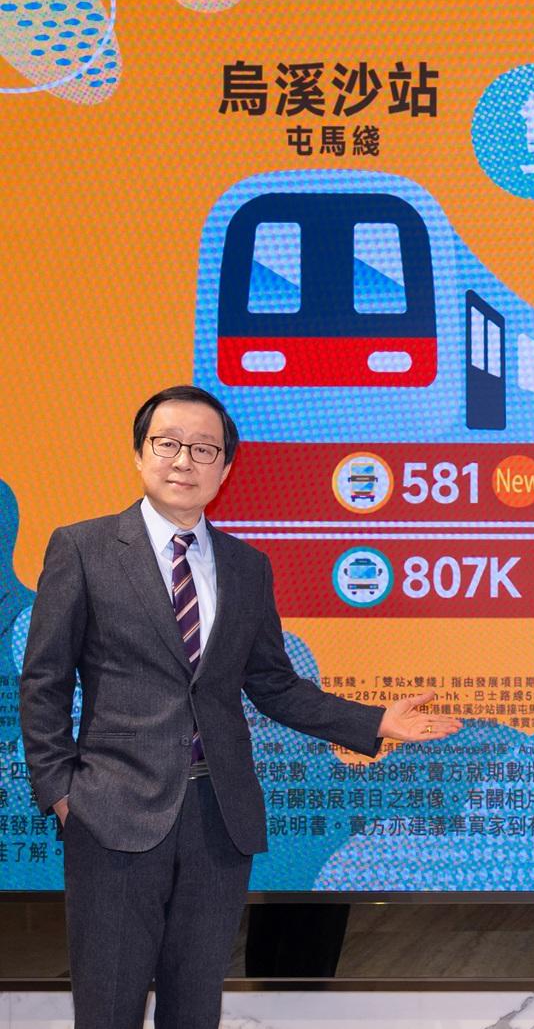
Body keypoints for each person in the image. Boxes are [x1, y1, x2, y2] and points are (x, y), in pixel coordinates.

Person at [19, 385, 463, 1029]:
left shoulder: (246, 565)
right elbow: (44, 681)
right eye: (168, 444)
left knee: (195, 1007)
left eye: (204, 449)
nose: (184, 460)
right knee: (108, 1007)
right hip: (111, 814)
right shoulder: (83, 549)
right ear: (140, 454)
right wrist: (63, 794)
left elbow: (274, 684)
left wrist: (373, 721)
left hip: (219, 818)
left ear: (225, 468)